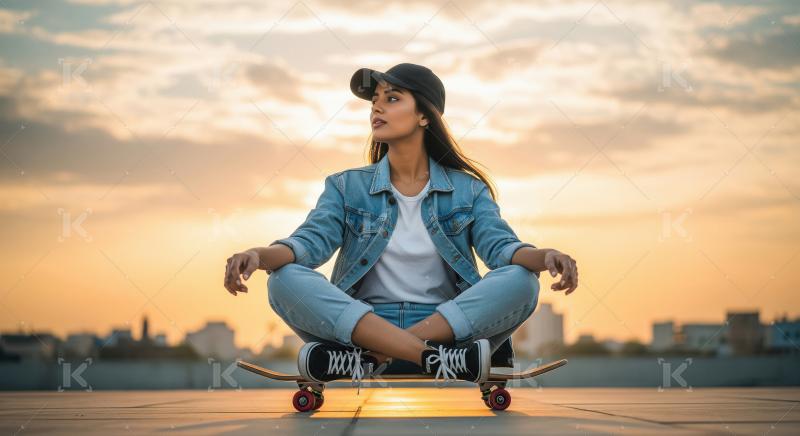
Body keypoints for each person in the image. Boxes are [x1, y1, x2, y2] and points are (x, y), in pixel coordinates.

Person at [223, 63, 579, 389]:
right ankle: (431, 359)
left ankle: (371, 359)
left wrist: (546, 255)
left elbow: (502, 249)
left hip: (445, 322)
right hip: (362, 321)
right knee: (284, 278)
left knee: (521, 281)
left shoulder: (468, 189)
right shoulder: (346, 187)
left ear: (425, 116)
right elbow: (308, 243)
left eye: (392, 99)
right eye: (375, 101)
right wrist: (257, 254)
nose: (377, 108)